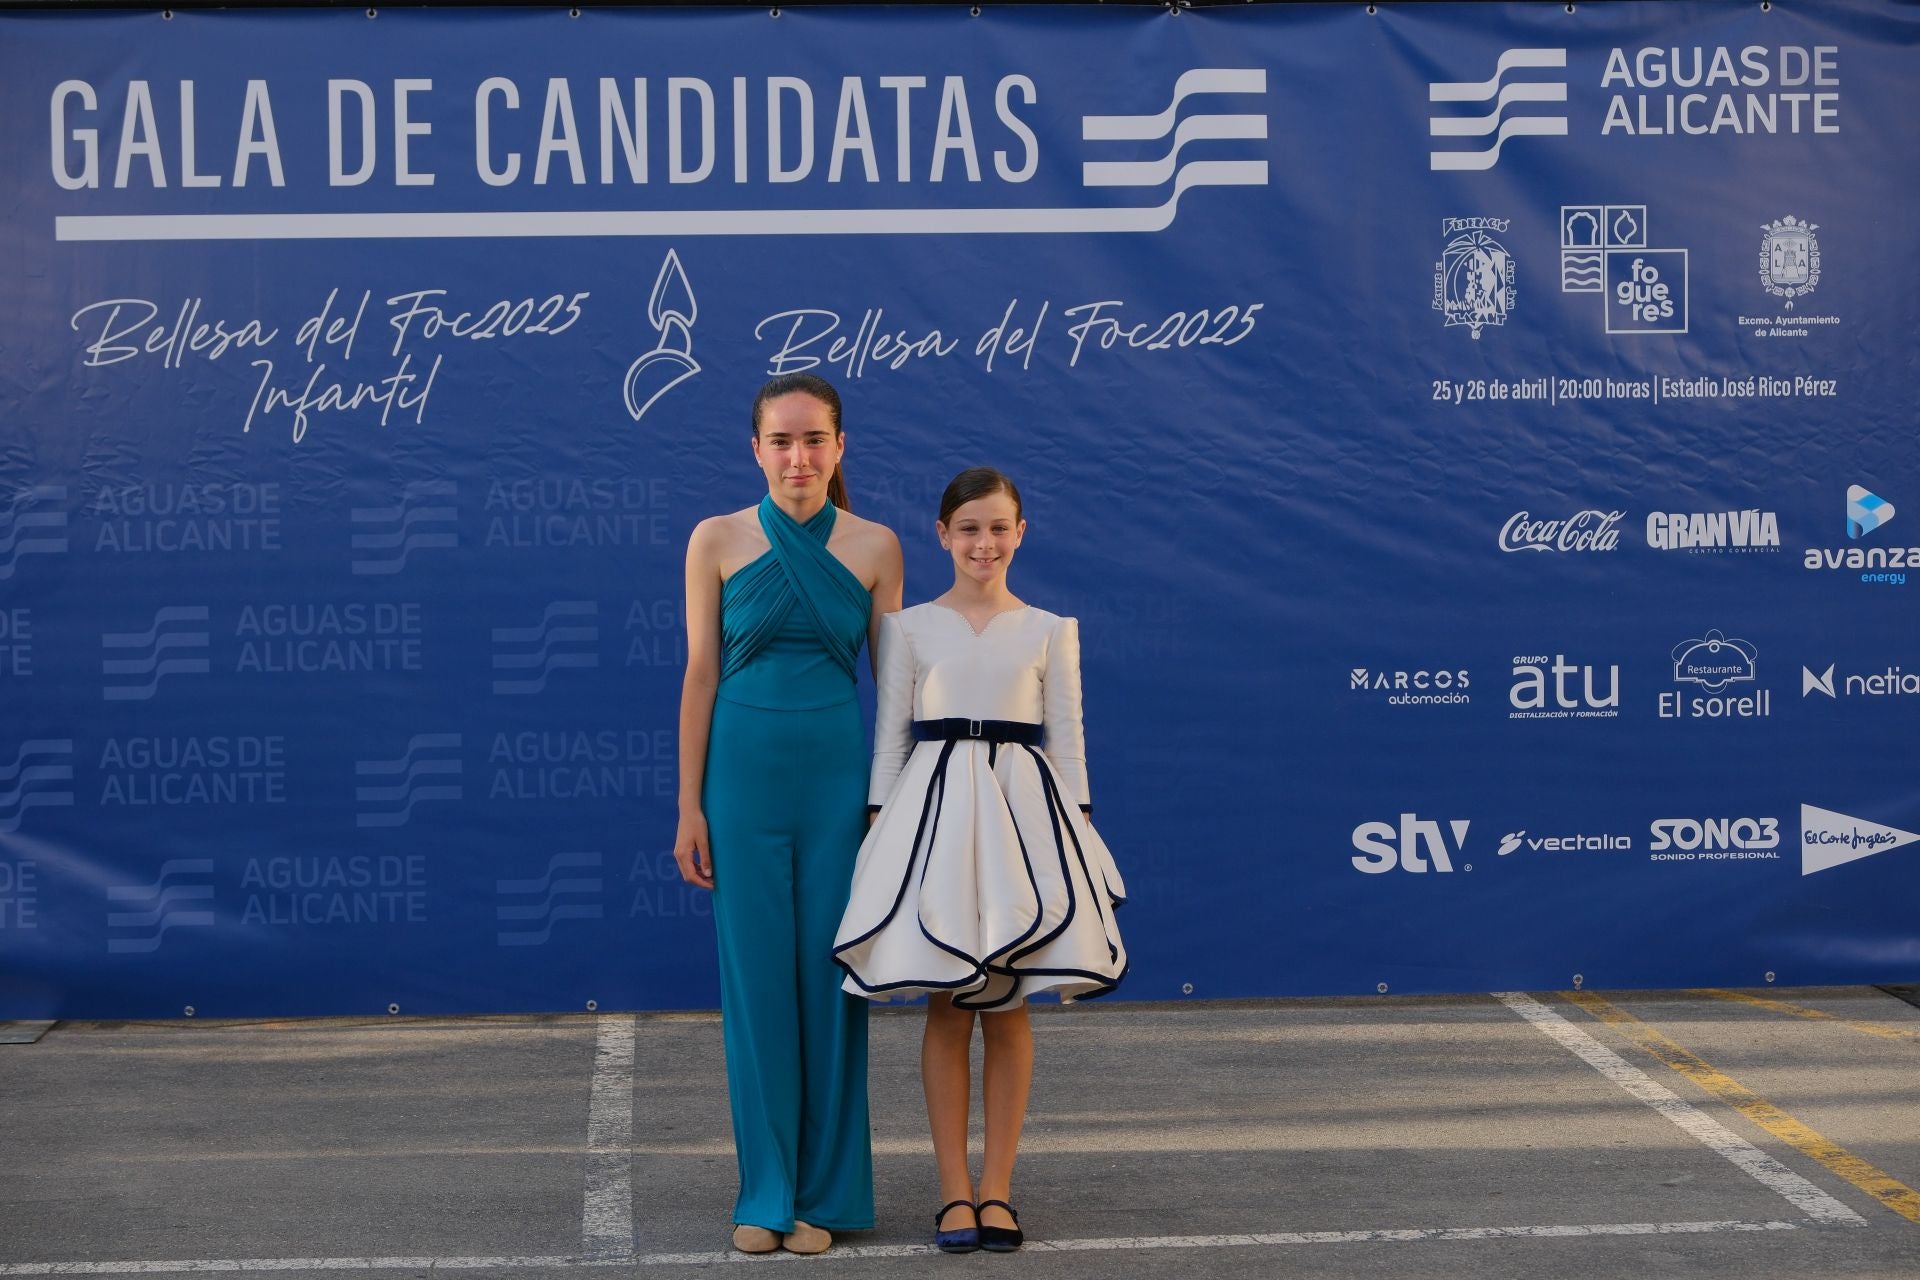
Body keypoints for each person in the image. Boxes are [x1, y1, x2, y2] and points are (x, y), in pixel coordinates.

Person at [832, 467, 1127, 1254]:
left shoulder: (1049, 628)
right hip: (933, 826)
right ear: (942, 535)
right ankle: (952, 1195)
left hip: (1024, 828)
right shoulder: (908, 628)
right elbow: (891, 742)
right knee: (945, 1004)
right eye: (968, 529)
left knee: (1009, 1006)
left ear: (1021, 532)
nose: (983, 543)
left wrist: (1078, 839)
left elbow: (1068, 741)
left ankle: (998, 1190)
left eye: (998, 528)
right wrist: (880, 840)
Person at [674, 373, 903, 1256]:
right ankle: (765, 1191)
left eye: (815, 441)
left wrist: (889, 802)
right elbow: (700, 674)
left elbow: (894, 689)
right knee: (757, 990)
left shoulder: (878, 545)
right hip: (739, 782)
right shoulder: (715, 539)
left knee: (831, 983)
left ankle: (827, 1196)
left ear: (840, 447)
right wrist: (689, 803)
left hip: (839, 786)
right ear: (756, 448)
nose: (799, 457)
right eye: (782, 441)